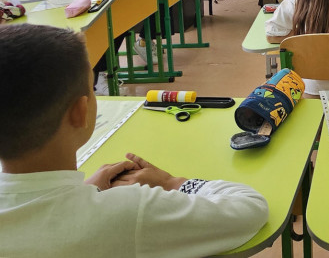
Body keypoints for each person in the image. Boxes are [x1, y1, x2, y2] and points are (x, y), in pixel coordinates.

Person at [0, 24, 269, 257]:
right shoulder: (127, 212)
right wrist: (171, 182)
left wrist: (85, 191)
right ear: (80, 112)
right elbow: (250, 208)